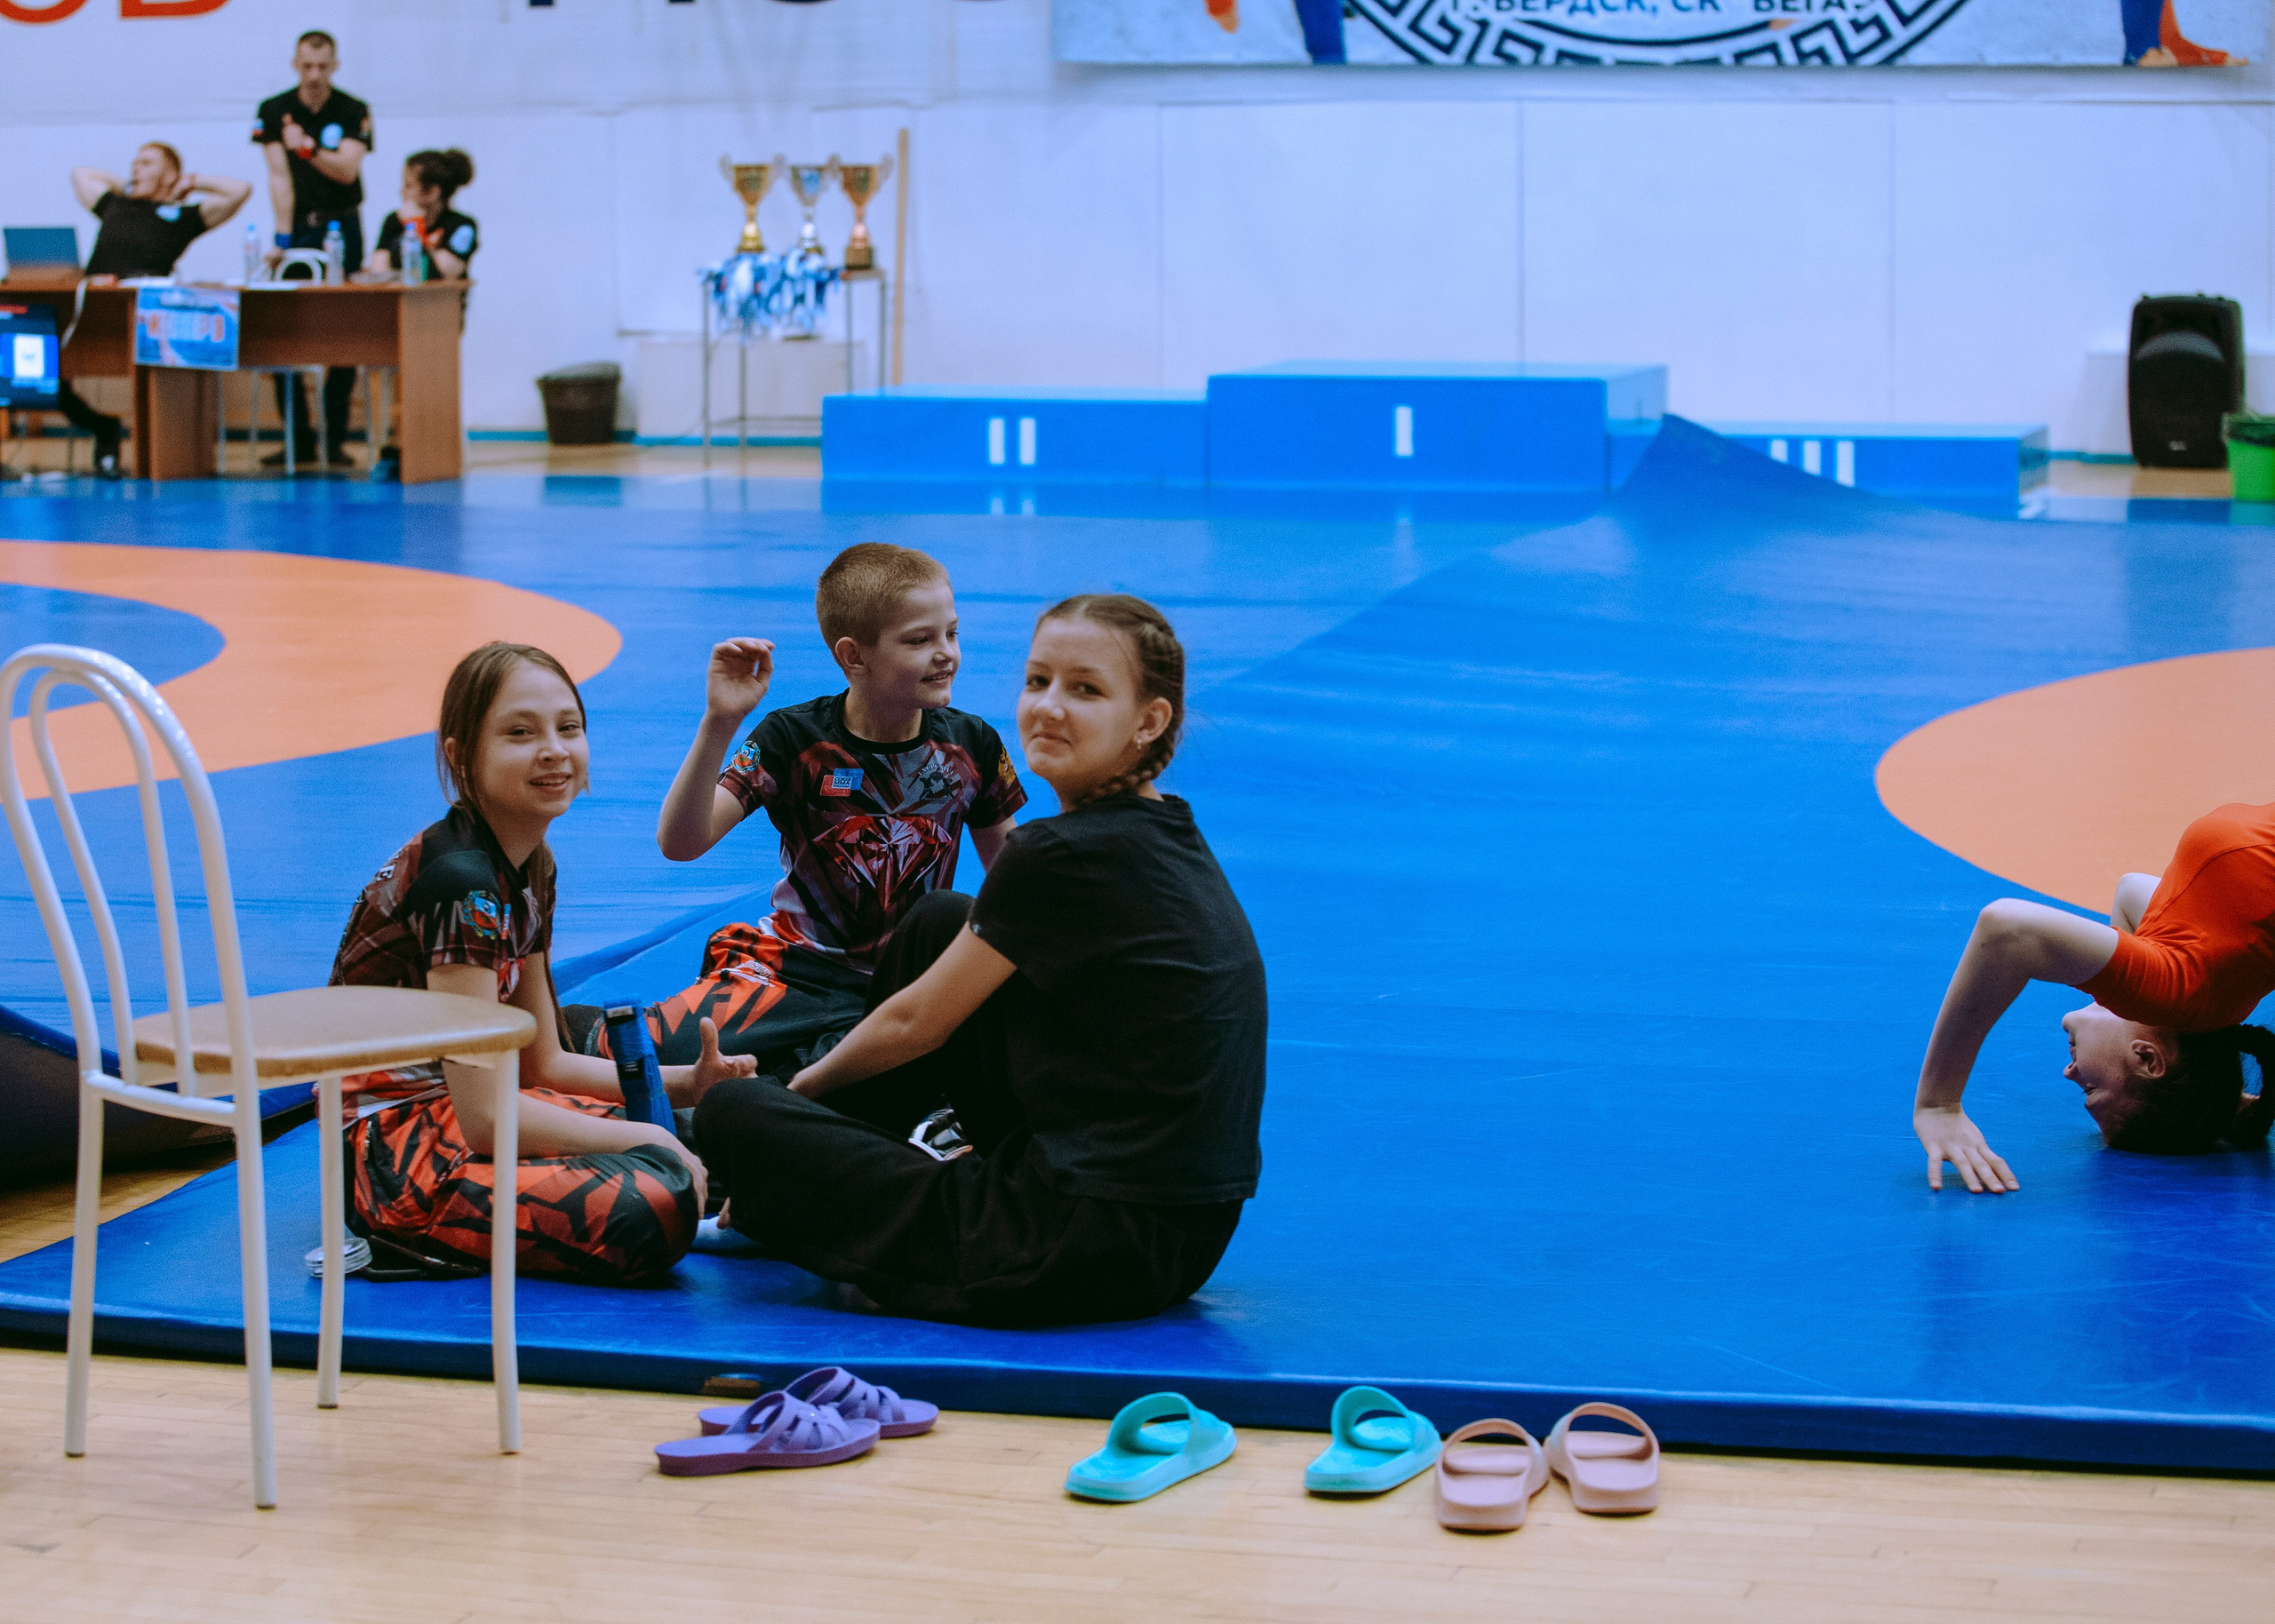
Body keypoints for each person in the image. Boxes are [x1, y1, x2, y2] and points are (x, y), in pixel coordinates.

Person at [692, 593, 1269, 1328]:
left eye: (1085, 690)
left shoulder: (1058, 853)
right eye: (1038, 682)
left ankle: (781, 1195)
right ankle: (818, 1179)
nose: (1049, 708)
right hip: (1175, 1239)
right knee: (938, 922)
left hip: (1069, 1244)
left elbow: (912, 1025)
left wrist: (793, 1100)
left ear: (1149, 721)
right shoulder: (1161, 827)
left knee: (735, 1110)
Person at [331, 641, 752, 1283]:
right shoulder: (459, 882)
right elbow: (487, 1117)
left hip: (472, 1109)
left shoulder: (531, 866)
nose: (553, 750)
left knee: (724, 1141)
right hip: (395, 1151)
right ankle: (404, 1236)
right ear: (460, 757)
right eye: (520, 733)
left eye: (569, 728)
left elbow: (540, 1062)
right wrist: (648, 1139)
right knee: (656, 1197)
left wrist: (687, 1087)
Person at [629, 544, 1025, 1087]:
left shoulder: (971, 745)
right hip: (795, 976)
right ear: (853, 657)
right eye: (919, 640)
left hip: (909, 986)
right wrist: (719, 722)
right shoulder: (795, 739)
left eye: (951, 633)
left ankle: (797, 1078)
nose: (946, 654)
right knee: (655, 1056)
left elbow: (1017, 883)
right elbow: (681, 842)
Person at [1913, 800, 2275, 1194]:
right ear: (2146, 1059)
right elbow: (2007, 929)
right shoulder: (2174, 993)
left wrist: (2212, 1101)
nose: (2069, 1073)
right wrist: (1939, 1102)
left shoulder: (2213, 991)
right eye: (2091, 1089)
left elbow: (2132, 891)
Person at [55, 142, 251, 479]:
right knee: (46, 378)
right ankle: (104, 428)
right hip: (91, 313)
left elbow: (240, 190)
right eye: (134, 163)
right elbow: (79, 174)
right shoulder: (114, 205)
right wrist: (126, 184)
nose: (135, 169)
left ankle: (163, 456)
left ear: (170, 173)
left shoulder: (186, 218)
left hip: (146, 318)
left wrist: (192, 181)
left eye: (146, 163)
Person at [251, 28, 371, 469]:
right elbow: (279, 178)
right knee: (285, 332)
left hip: (344, 226)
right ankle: (297, 439)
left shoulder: (352, 109)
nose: (314, 74)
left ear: (335, 66)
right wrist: (282, 240)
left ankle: (335, 438)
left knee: (344, 333)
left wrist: (307, 149)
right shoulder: (274, 110)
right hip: (300, 228)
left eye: (323, 66)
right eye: (306, 66)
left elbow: (345, 170)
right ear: (294, 64)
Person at [363, 149, 478, 476]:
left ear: (432, 192)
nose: (402, 193)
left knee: (421, 375)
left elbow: (448, 270)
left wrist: (416, 230)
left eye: (409, 185)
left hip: (440, 322)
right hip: (394, 316)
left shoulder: (462, 226)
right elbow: (379, 267)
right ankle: (391, 447)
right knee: (383, 371)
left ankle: (426, 450)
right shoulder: (392, 220)